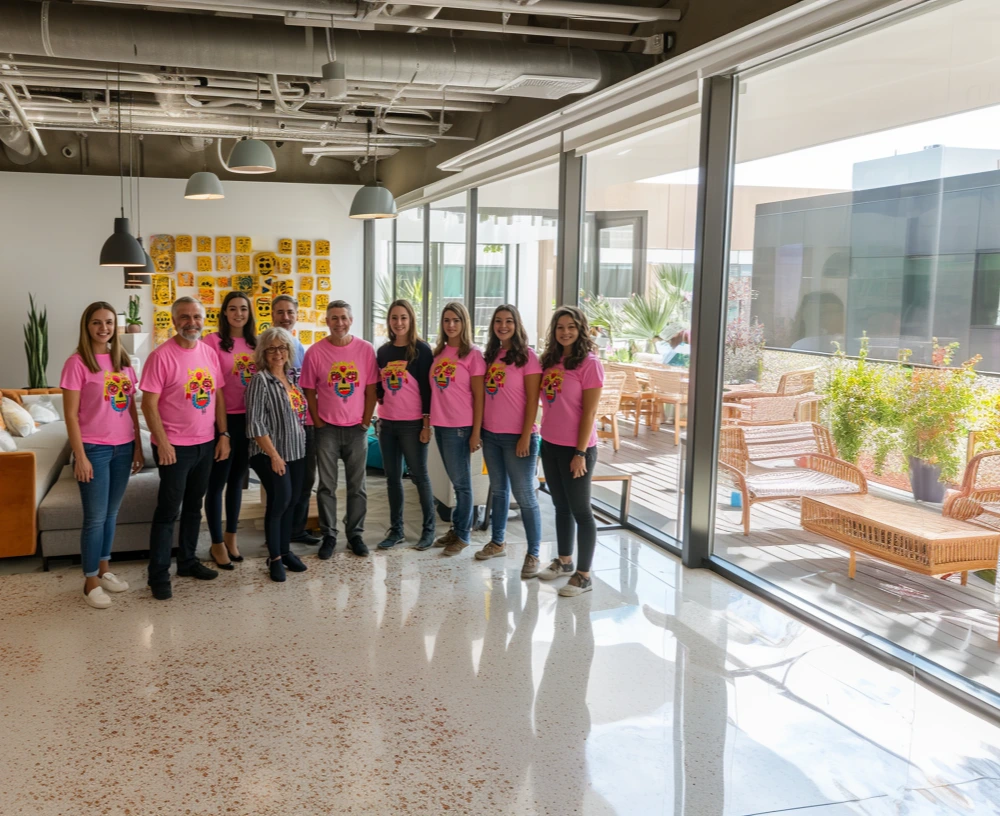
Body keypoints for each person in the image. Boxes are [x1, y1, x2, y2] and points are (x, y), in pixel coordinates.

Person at [140, 296, 230, 600]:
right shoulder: (161, 356)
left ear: (204, 319)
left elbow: (217, 395)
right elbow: (148, 403)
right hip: (174, 448)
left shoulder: (208, 352)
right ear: (174, 320)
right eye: (184, 317)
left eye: (197, 317)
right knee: (168, 511)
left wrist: (223, 434)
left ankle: (188, 562)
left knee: (194, 507)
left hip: (205, 444)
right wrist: (162, 442)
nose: (191, 322)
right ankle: (158, 575)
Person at [60, 301, 144, 609]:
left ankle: (104, 571)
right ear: (87, 326)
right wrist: (79, 456)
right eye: (97, 322)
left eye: (109, 322)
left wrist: (136, 445)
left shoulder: (123, 360)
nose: (104, 328)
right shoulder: (77, 362)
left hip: (123, 447)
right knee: (95, 518)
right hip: (93, 448)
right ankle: (90, 581)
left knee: (111, 515)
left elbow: (132, 406)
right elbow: (70, 415)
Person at [301, 300, 379, 559]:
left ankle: (355, 534)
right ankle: (330, 534)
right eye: (334, 318)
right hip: (327, 429)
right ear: (327, 321)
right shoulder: (315, 352)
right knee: (327, 486)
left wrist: (367, 421)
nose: (339, 323)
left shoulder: (366, 349)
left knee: (358, 485)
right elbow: (309, 391)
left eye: (343, 317)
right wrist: (318, 421)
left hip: (357, 428)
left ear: (351, 320)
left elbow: (371, 390)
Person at [537, 306, 604, 597]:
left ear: (581, 330)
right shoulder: (550, 362)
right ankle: (564, 561)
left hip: (578, 449)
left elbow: (589, 414)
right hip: (549, 443)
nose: (565, 332)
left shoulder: (590, 364)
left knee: (581, 511)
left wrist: (579, 453)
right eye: (560, 327)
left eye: (571, 327)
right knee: (560, 507)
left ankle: (584, 576)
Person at [476, 304, 544, 577]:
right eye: (498, 321)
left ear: (517, 325)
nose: (503, 326)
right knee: (499, 490)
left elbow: (533, 402)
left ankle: (534, 553)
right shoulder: (490, 355)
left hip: (519, 437)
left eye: (508, 321)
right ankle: (497, 541)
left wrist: (526, 435)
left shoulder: (528, 357)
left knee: (525, 495)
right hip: (491, 435)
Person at [245, 327, 309, 582]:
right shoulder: (260, 380)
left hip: (296, 450)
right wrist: (273, 455)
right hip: (270, 453)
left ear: (289, 351)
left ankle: (285, 550)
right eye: (271, 348)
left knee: (292, 501)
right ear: (263, 352)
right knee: (279, 501)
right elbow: (255, 424)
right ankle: (274, 558)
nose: (277, 353)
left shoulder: (291, 379)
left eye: (282, 347)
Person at [374, 299, 436, 551]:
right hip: (387, 423)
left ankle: (428, 530)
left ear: (411, 320)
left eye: (403, 318)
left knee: (420, 477)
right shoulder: (383, 352)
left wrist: (426, 424)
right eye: (394, 318)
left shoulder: (421, 350)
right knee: (392, 479)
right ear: (389, 321)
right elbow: (379, 386)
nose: (398, 323)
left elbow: (428, 390)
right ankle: (396, 529)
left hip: (412, 424)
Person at [201, 291, 257, 569]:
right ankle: (215, 543)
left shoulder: (256, 343)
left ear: (249, 313)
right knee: (217, 482)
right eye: (233, 309)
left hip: (249, 420)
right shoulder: (211, 342)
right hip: (220, 421)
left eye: (243, 309)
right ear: (224, 312)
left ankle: (231, 536)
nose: (238, 314)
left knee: (237, 481)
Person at [429, 301, 485, 557]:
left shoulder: (472, 354)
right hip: (441, 424)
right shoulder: (439, 353)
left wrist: (476, 432)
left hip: (460, 427)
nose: (451, 325)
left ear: (464, 323)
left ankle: (463, 535)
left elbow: (479, 396)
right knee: (456, 482)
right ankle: (457, 528)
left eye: (456, 320)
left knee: (462, 485)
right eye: (446, 320)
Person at [272, 293, 321, 546]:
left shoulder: (302, 348)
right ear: (272, 316)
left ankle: (297, 529)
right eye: (280, 312)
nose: (285, 317)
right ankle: (278, 532)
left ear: (297, 315)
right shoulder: (266, 346)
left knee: (305, 480)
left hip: (305, 424)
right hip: (279, 427)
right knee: (283, 483)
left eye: (290, 312)